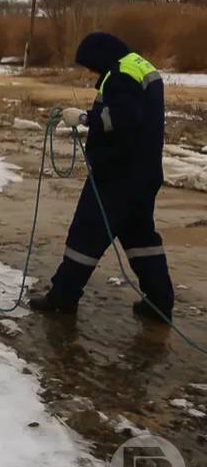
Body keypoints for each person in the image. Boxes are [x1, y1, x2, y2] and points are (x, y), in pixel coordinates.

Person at [29, 32, 174, 321]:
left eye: (91, 65)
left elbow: (120, 119)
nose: (91, 72)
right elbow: (133, 114)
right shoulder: (140, 66)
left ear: (101, 57)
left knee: (85, 234)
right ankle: (160, 302)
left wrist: (84, 119)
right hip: (143, 174)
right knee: (140, 238)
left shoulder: (120, 74)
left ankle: (63, 298)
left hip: (117, 175)